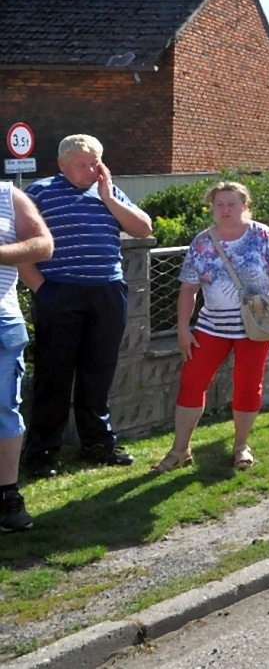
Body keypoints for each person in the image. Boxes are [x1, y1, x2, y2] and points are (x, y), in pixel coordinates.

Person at [19, 134, 153, 478]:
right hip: (60, 292)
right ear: (62, 164)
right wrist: (42, 289)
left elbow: (143, 229)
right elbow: (21, 244)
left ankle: (97, 444)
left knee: (99, 372)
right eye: (82, 164)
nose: (91, 169)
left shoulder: (108, 191)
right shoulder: (40, 192)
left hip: (106, 293)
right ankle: (42, 451)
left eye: (95, 162)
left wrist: (108, 196)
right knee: (54, 374)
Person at [152, 182, 269, 473]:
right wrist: (183, 329)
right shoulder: (202, 242)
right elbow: (188, 290)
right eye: (219, 205)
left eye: (231, 204)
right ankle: (180, 450)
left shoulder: (264, 236)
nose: (225, 210)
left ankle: (241, 445)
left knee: (247, 384)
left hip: (255, 327)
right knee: (192, 382)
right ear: (212, 208)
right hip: (211, 327)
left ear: (245, 205)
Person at [0, 184, 52, 531]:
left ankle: (7, 496)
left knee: (4, 409)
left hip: (2, 321)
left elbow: (43, 245)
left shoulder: (7, 195)